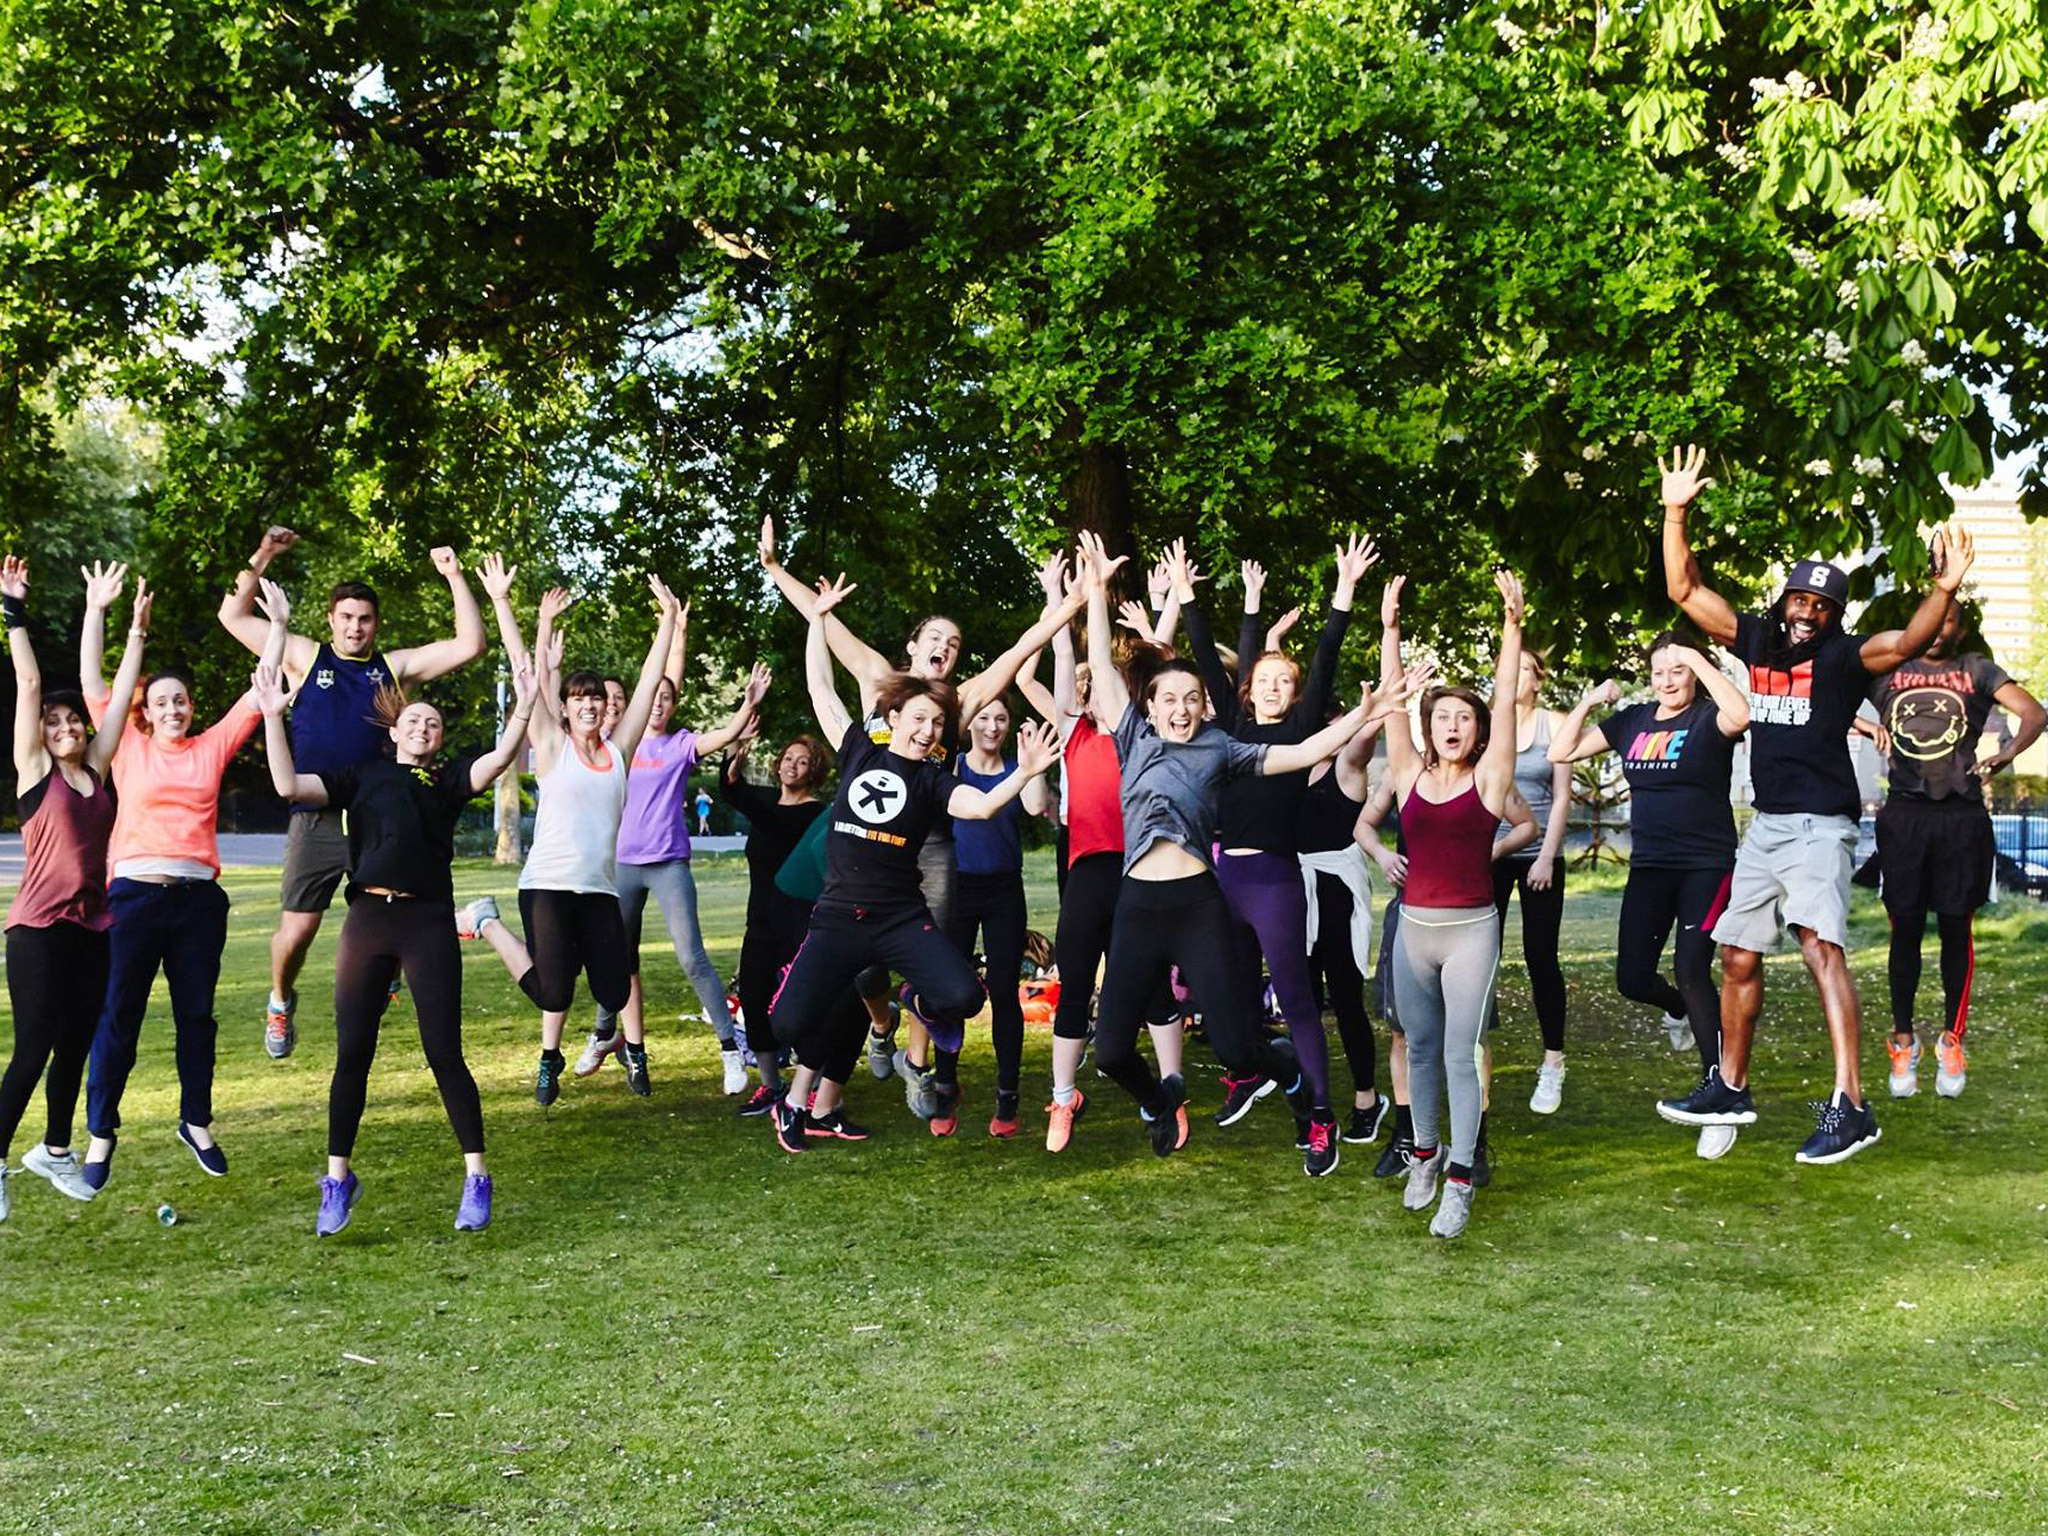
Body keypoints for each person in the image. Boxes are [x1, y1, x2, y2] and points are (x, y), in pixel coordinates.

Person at [1652, 443, 1975, 1163]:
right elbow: (1684, 591)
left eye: (1823, 606)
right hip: (1766, 827)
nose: (1808, 613)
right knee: (1734, 953)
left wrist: (1944, 590)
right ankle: (1730, 1086)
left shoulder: (1844, 657)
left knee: (1820, 948)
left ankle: (1852, 1105)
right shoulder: (1758, 637)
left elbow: (1912, 637)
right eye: (1801, 600)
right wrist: (1675, 512)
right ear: (1784, 602)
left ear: (1834, 616)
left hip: (1822, 827)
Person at [1076, 533, 1422, 1170]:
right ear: (1146, 706)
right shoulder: (1130, 737)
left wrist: (1366, 714)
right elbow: (1101, 664)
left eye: (1190, 699)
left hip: (1199, 899)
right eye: (1167, 699)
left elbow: (1302, 750)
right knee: (1112, 1054)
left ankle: (1292, 1080)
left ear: (1205, 705)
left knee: (1238, 1045)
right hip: (1138, 904)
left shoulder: (1223, 749)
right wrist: (1095, 593)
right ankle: (1159, 1101)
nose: (1179, 709)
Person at [758, 518, 1088, 1115]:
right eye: (935, 638)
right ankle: (875, 1019)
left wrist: (1066, 607)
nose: (944, 647)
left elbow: (1019, 651)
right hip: (856, 833)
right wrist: (778, 571)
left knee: (941, 971)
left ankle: (921, 1041)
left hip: (933, 836)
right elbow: (825, 632)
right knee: (856, 966)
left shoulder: (959, 705)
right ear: (914, 647)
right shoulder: (879, 683)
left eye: (954, 644)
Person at [255, 624, 539, 1235]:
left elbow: (498, 758)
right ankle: (337, 1180)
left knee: (444, 1054)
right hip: (368, 920)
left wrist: (526, 704)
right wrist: (275, 718)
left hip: (427, 921)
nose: (423, 727)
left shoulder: (447, 781)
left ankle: (477, 1178)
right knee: (352, 1055)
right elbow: (288, 786)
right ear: (393, 729)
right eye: (413, 720)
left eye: (432, 724)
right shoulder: (363, 775)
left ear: (438, 739)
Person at [218, 527, 489, 1060]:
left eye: (364, 619)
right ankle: (280, 998)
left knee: (393, 911)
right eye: (346, 618)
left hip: (379, 815)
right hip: (315, 809)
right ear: (332, 620)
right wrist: (264, 554)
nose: (355, 628)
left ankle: (387, 974)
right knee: (298, 930)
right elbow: (232, 616)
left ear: (375, 625)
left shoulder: (394, 669)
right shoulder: (305, 656)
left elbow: (470, 645)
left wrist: (455, 576)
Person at [80, 579, 289, 1190]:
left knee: (196, 1016)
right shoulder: (127, 749)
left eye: (183, 701)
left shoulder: (211, 748)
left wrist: (276, 626)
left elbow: (262, 690)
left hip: (199, 902)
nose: (175, 709)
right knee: (119, 1015)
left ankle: (195, 1121)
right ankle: (100, 1136)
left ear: (192, 708)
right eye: (163, 701)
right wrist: (103, 614)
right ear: (146, 708)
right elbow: (96, 684)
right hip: (135, 897)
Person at [1179, 536, 1378, 1174]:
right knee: (1224, 1004)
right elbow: (1218, 669)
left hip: (1273, 879)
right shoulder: (1230, 731)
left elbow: (1323, 659)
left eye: (1281, 682)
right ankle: (1262, 1073)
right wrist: (1189, 600)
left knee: (1295, 999)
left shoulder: (1299, 730)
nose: (1270, 687)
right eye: (1261, 679)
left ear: (1293, 695)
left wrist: (1343, 594)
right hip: (1222, 877)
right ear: (1248, 689)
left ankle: (1320, 1115)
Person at [459, 578, 683, 1105]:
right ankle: (487, 921)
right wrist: (511, 608)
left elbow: (650, 683)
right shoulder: (552, 744)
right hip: (548, 887)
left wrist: (669, 621)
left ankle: (619, 1048)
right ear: (563, 708)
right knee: (552, 991)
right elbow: (523, 670)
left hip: (599, 891)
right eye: (578, 698)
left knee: (613, 988)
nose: (589, 705)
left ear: (607, 708)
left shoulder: (620, 751)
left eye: (597, 699)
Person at [1550, 633, 1750, 1157]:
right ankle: (1680, 1011)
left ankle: (1721, 1092)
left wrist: (1700, 661)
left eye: (1677, 670)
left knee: (1691, 968)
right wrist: (1591, 701)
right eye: (1659, 670)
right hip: (1651, 868)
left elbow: (1743, 713)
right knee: (1632, 978)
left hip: (1707, 865)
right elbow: (1561, 750)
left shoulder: (1709, 717)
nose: (1667, 679)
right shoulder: (1633, 720)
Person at [1378, 569, 1526, 1238]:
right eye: (1442, 717)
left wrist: (1513, 629)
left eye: (1465, 718)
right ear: (1429, 727)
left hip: (1470, 933)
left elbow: (1506, 700)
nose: (1453, 726)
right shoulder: (1407, 773)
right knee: (1422, 1047)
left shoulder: (1492, 780)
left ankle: (1461, 1181)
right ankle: (1426, 1158)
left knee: (1462, 1052)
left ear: (1478, 730)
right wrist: (1389, 631)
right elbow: (1389, 710)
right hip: (1413, 932)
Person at [0, 559, 149, 1218]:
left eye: (71, 723)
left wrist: (127, 625)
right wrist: (13, 609)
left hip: (94, 926)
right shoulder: (35, 772)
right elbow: (29, 680)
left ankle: (55, 1151)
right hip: (36, 929)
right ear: (40, 735)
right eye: (54, 725)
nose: (65, 730)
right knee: (33, 1044)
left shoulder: (97, 768)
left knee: (75, 1045)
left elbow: (117, 700)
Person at [1856, 605, 2044, 1099]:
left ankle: (1951, 1040)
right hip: (1903, 817)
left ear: (1960, 629)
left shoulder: (1976, 670)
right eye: (1930, 621)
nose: (1938, 632)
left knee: (1957, 928)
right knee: (1906, 931)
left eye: (1948, 623)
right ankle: (1903, 1040)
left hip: (1961, 818)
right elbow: (1824, 697)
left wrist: (2007, 753)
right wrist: (1863, 726)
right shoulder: (1889, 669)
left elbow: (2034, 713)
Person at [1034, 553, 1188, 1155]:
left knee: (1152, 984)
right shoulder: (1071, 728)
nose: (1098, 691)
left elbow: (1165, 662)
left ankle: (1173, 1092)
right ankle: (1064, 1095)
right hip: (1090, 868)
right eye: (1090, 686)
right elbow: (1066, 656)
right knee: (1074, 983)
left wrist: (1169, 599)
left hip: (1142, 866)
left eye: (1112, 686)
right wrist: (1064, 598)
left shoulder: (1144, 733)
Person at [572, 634, 769, 1094]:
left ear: (674, 704)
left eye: (666, 698)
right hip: (620, 866)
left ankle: (728, 1049)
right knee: (611, 956)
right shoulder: (616, 743)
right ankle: (604, 1033)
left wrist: (746, 706)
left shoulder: (681, 744)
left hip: (667, 865)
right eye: (651, 697)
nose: (657, 704)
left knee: (692, 957)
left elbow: (724, 734)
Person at [944, 695, 1050, 1137]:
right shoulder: (955, 769)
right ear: (970, 724)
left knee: (1005, 991)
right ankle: (945, 1084)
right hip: (957, 889)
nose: (992, 726)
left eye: (1001, 719)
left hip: (1005, 889)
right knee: (949, 990)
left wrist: (1034, 764)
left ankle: (1008, 1096)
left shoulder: (1015, 767)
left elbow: (1033, 805)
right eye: (984, 717)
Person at [721, 732, 839, 1116]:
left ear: (814, 771)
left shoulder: (812, 814)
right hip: (760, 922)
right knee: (753, 999)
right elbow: (731, 787)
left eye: (802, 761)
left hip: (800, 921)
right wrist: (736, 743)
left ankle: (813, 1083)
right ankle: (770, 1085)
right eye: (788, 757)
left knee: (803, 1001)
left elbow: (756, 808)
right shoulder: (767, 802)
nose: (792, 765)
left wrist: (737, 780)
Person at [1491, 650, 1574, 1115]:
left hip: (1541, 855)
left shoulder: (1556, 725)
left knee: (1542, 958)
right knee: (1482, 954)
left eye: (1523, 667)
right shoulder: (1486, 723)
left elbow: (1562, 797)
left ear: (1538, 679)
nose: (1513, 675)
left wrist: (1545, 856)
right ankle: (1472, 1053)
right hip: (1492, 854)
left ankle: (1553, 1062)